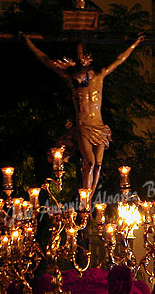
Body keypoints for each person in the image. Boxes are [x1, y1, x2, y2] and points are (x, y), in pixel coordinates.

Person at [22, 33, 145, 196]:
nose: (78, 79)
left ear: (87, 66)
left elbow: (119, 60)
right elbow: (46, 62)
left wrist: (134, 44)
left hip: (100, 127)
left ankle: (90, 197)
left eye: (80, 75)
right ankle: (85, 195)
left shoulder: (99, 77)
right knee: (90, 162)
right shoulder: (72, 81)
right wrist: (29, 43)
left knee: (99, 165)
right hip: (84, 127)